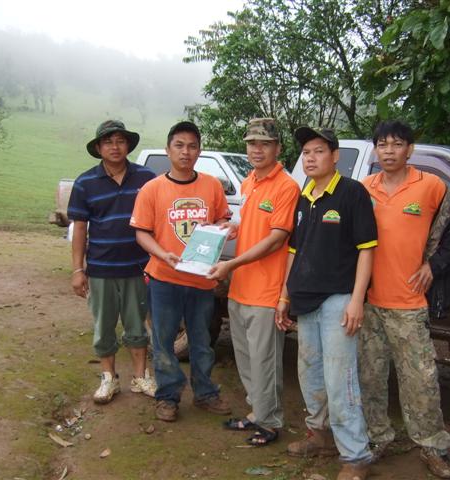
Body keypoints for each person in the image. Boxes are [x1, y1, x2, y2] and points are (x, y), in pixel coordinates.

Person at [276, 127, 377, 480]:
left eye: (318, 151)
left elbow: (367, 250)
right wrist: (284, 295)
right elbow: (294, 250)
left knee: (340, 379)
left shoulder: (352, 193)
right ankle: (319, 435)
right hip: (305, 300)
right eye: (306, 152)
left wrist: (357, 300)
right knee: (311, 373)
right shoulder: (304, 196)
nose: (310, 158)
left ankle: (356, 456)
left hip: (338, 300)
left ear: (335, 156)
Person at [358, 120, 450, 479]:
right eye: (382, 144)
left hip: (409, 305)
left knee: (421, 381)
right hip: (368, 304)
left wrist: (436, 264)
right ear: (375, 150)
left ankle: (432, 446)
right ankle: (376, 437)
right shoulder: (363, 189)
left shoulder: (432, 187)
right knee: (369, 377)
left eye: (397, 144)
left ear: (410, 149)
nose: (389, 151)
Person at [131, 121, 232, 422]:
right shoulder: (152, 189)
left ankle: (205, 393)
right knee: (163, 343)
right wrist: (162, 254)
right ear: (168, 150)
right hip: (164, 279)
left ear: (199, 151)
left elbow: (222, 220)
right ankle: (168, 397)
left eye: (192, 146)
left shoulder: (211, 185)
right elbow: (141, 232)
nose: (185, 152)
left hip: (201, 280)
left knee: (202, 341)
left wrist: (223, 229)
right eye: (179, 145)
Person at [208, 118, 300, 446]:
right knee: (246, 358)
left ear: (278, 148)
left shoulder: (286, 187)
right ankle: (256, 412)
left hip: (266, 291)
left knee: (265, 362)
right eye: (251, 143)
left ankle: (270, 422)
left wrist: (231, 264)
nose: (256, 149)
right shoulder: (249, 182)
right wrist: (232, 228)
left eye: (264, 144)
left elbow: (276, 239)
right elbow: (250, 223)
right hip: (240, 288)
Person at [67, 120, 157, 404]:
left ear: (128, 145)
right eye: (108, 142)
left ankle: (141, 377)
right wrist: (78, 270)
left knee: (137, 325)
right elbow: (79, 229)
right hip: (101, 269)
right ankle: (109, 378)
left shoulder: (147, 178)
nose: (115, 147)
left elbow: (159, 220)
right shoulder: (85, 183)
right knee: (104, 326)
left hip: (138, 267)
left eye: (120, 141)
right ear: (98, 148)